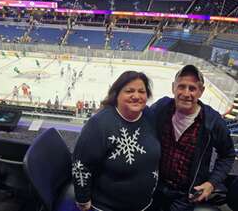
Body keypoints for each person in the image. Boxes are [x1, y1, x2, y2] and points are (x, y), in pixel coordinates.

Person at [149, 65, 235, 211]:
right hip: (154, 187)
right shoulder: (162, 107)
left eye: (192, 88)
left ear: (201, 91)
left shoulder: (212, 121)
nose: (186, 93)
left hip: (185, 196)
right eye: (181, 86)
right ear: (173, 88)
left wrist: (211, 183)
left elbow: (227, 155)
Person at [72, 71, 160, 211]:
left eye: (141, 91)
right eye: (129, 91)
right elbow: (81, 165)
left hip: (145, 205)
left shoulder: (149, 116)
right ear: (117, 94)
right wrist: (83, 199)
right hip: (107, 207)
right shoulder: (99, 124)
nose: (136, 96)